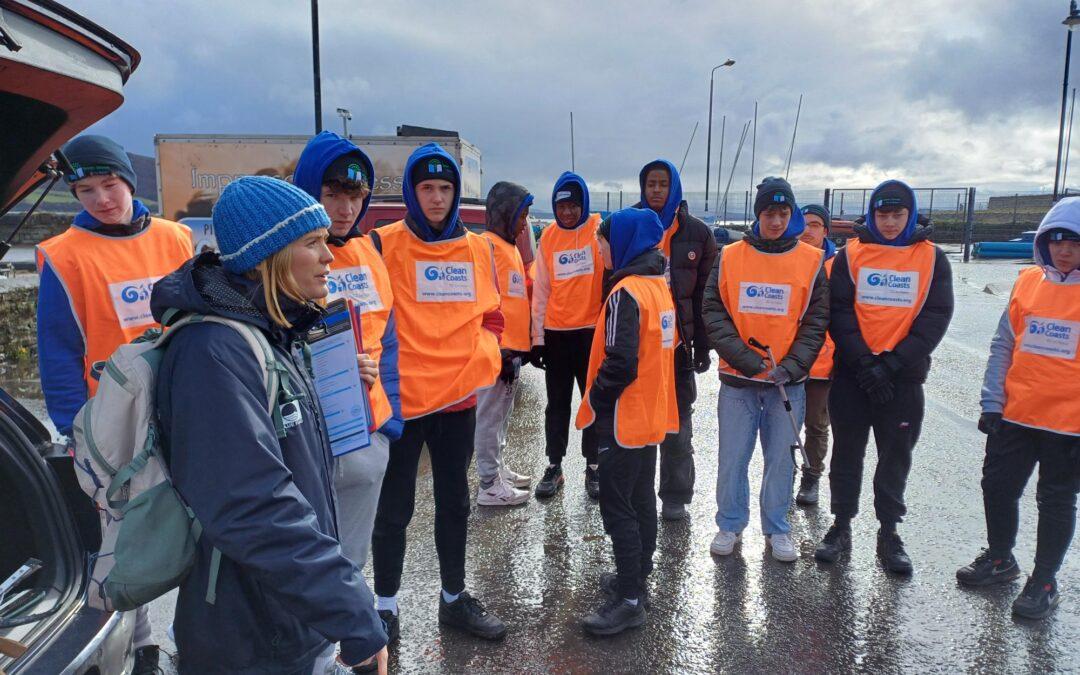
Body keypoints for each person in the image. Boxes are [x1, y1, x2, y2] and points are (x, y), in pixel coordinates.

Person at [149, 176, 388, 674]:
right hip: (251, 634)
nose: (330, 257)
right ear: (265, 258)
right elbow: (252, 504)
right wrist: (351, 611)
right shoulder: (213, 351)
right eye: (312, 243)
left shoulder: (269, 333)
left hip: (283, 613)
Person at [35, 134, 194, 674]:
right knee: (125, 531)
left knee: (196, 515)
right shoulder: (63, 256)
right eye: (85, 189)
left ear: (128, 179)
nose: (102, 199)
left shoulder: (177, 239)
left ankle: (190, 629)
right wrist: (72, 429)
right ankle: (142, 639)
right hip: (113, 421)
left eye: (109, 184)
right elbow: (58, 351)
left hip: (182, 402)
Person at [368, 144, 507, 641]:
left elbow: (493, 316)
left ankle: (453, 598)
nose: (436, 198)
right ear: (412, 190)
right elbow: (368, 318)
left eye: (445, 188)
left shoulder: (478, 248)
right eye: (427, 188)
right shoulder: (382, 245)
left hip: (457, 403)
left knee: (455, 504)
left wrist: (481, 361)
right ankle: (384, 605)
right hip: (403, 402)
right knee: (394, 509)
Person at [814, 180, 954, 574]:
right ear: (872, 215)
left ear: (910, 215)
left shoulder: (932, 259)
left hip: (903, 378)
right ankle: (841, 525)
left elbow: (935, 317)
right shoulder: (850, 255)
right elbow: (838, 311)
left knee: (895, 457)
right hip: (853, 375)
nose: (889, 222)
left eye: (897, 214)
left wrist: (891, 364)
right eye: (882, 214)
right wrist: (864, 362)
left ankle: (889, 531)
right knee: (847, 453)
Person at [957, 199, 1080, 620]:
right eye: (1057, 240)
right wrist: (992, 401)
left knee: (1056, 499)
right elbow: (1003, 345)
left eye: (1075, 243)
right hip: (1016, 414)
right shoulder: (1028, 282)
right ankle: (1000, 557)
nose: (1065, 250)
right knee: (998, 487)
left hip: (1069, 424)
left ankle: (1044, 579)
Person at [293, 132, 402, 584]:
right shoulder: (283, 256)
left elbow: (388, 340)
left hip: (368, 436)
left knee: (351, 565)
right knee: (302, 563)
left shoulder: (370, 249)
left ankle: (334, 652)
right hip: (305, 440)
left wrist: (391, 424)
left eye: (355, 197)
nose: (345, 209)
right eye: (332, 195)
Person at [703, 177, 829, 562]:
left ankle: (778, 527)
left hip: (785, 385)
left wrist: (791, 367)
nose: (776, 220)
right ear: (759, 215)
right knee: (733, 457)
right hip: (738, 380)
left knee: (780, 459)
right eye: (769, 212)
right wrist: (745, 358)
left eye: (783, 213)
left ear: (791, 215)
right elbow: (713, 310)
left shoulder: (811, 261)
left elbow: (816, 319)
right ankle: (729, 523)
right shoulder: (730, 255)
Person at [575, 208, 678, 635]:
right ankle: (636, 577)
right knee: (641, 501)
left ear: (622, 243)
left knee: (618, 507)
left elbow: (620, 361)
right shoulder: (659, 286)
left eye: (602, 242)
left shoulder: (625, 293)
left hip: (622, 419)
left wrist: (596, 403)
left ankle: (630, 599)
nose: (598, 249)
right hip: (651, 415)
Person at [635, 159, 718, 521]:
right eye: (651, 184)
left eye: (662, 184)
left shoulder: (698, 234)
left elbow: (706, 294)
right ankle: (636, 493)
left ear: (675, 188)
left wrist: (703, 345)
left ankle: (675, 494)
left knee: (679, 424)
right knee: (637, 422)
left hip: (678, 348)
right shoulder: (628, 226)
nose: (656, 190)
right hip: (638, 346)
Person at [530, 172, 606, 499]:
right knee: (557, 405)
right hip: (557, 333)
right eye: (562, 206)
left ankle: (594, 467)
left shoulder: (600, 230)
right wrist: (537, 339)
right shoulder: (547, 237)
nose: (568, 213)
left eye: (574, 206)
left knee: (592, 402)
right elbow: (541, 290)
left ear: (583, 205)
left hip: (591, 333)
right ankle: (554, 465)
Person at [475, 181, 536, 506]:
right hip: (496, 351)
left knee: (501, 414)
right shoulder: (487, 246)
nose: (525, 223)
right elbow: (484, 300)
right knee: (489, 415)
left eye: (526, 216)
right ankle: (488, 483)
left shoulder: (509, 247)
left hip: (512, 351)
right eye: (521, 216)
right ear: (504, 213)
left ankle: (497, 469)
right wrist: (498, 348)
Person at [795, 204, 838, 506]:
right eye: (803, 224)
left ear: (825, 230)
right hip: (789, 360)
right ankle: (785, 473)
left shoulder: (839, 267)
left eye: (815, 224)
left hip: (824, 362)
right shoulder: (789, 260)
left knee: (816, 424)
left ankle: (811, 477)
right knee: (784, 425)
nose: (807, 231)